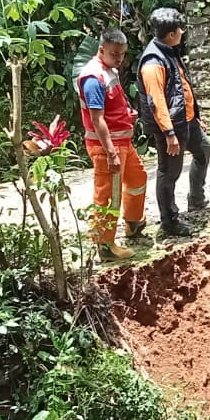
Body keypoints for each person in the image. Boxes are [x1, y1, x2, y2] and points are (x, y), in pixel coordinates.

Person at [75, 28, 148, 261]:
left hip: (122, 141)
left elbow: (111, 107)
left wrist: (126, 114)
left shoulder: (108, 71)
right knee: (108, 195)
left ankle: (133, 222)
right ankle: (105, 245)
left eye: (122, 54)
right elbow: (97, 119)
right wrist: (110, 153)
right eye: (115, 54)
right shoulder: (93, 78)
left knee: (137, 179)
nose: (119, 59)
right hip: (109, 146)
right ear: (101, 49)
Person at [138, 7, 210, 237]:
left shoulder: (169, 50)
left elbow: (181, 87)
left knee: (204, 150)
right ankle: (169, 220)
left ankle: (196, 199)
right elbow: (157, 100)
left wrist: (196, 117)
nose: (182, 31)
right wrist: (169, 133)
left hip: (186, 122)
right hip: (171, 128)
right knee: (169, 173)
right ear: (171, 33)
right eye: (179, 29)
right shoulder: (153, 61)